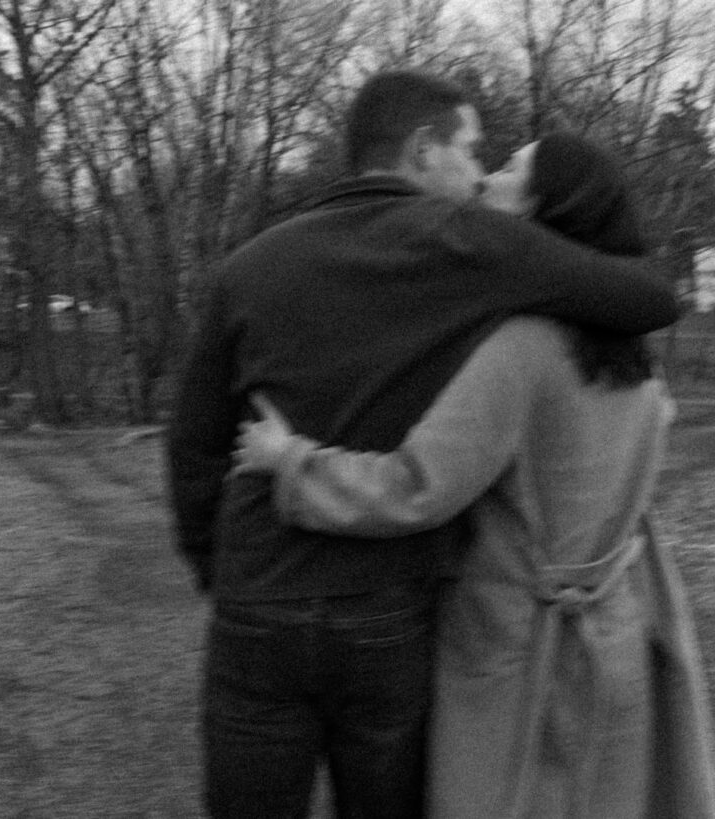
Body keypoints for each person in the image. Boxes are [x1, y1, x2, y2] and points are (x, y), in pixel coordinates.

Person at [166, 72, 680, 819]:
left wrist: (221, 571)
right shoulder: (474, 245)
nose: (478, 174)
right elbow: (651, 299)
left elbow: (195, 444)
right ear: (422, 148)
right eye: (472, 152)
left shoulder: (247, 266)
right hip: (388, 599)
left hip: (259, 594)